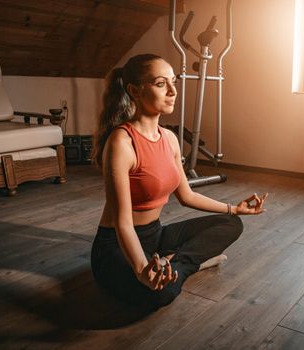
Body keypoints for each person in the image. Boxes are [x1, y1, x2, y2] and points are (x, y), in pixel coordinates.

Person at [90, 53, 268, 311]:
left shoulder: (170, 139)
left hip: (155, 235)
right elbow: (122, 223)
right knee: (158, 295)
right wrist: (141, 270)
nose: (173, 91)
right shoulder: (122, 142)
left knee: (230, 224)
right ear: (134, 90)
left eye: (174, 82)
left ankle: (174, 264)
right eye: (161, 83)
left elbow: (187, 196)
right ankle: (186, 265)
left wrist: (234, 208)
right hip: (115, 246)